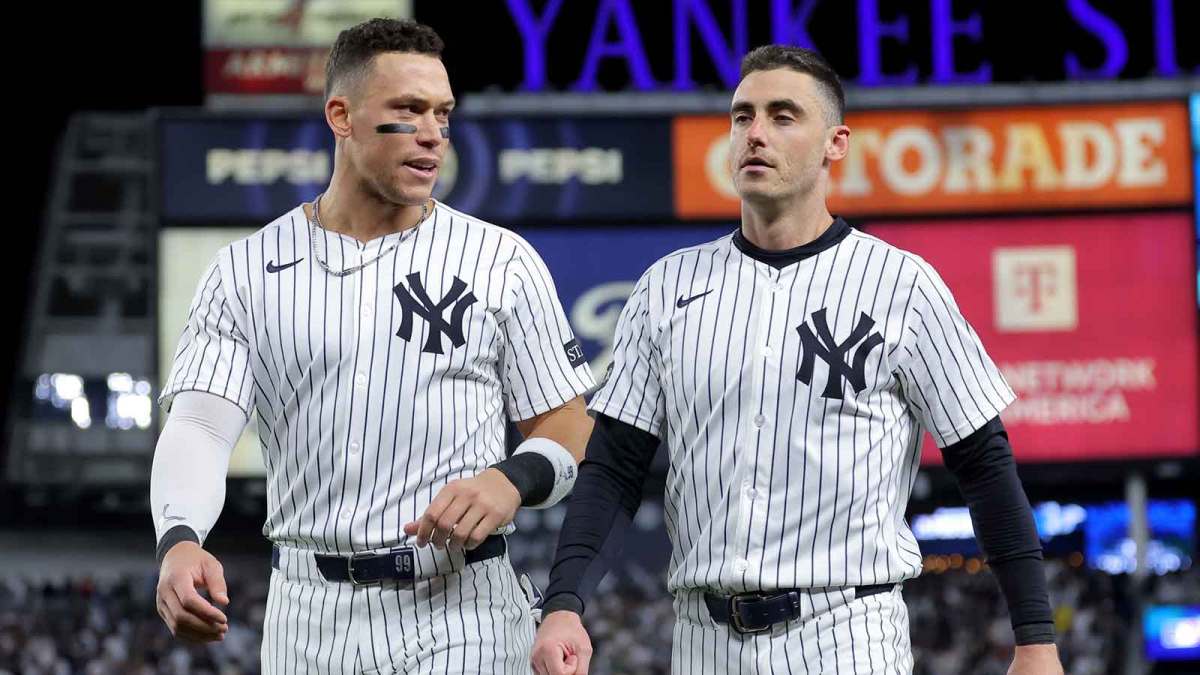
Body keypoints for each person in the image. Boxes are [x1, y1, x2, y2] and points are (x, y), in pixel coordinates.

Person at [531, 45, 1064, 675]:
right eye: (742, 116)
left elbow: (983, 464)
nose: (755, 133)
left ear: (835, 143)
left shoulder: (902, 285)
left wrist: (1035, 639)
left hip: (847, 635)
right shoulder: (665, 287)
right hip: (703, 641)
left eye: (783, 117)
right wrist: (563, 602)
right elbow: (614, 466)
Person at [150, 18, 594, 674]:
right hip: (306, 614)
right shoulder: (243, 270)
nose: (433, 134)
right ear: (342, 116)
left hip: (461, 605)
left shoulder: (501, 259)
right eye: (408, 111)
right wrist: (180, 538)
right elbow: (200, 427)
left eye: (442, 114)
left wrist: (511, 478)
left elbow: (570, 425)